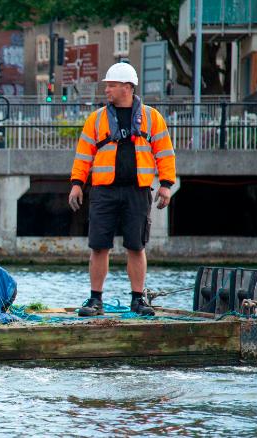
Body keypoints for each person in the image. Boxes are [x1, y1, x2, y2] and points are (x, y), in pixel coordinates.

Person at [68, 62, 177, 317]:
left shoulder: (152, 118)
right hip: (104, 191)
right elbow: (83, 155)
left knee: (137, 246)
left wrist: (166, 185)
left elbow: (165, 153)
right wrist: (76, 184)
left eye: (112, 85)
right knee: (98, 246)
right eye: (107, 85)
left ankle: (138, 300)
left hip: (137, 191)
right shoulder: (96, 119)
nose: (107, 89)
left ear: (127, 88)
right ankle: (95, 300)